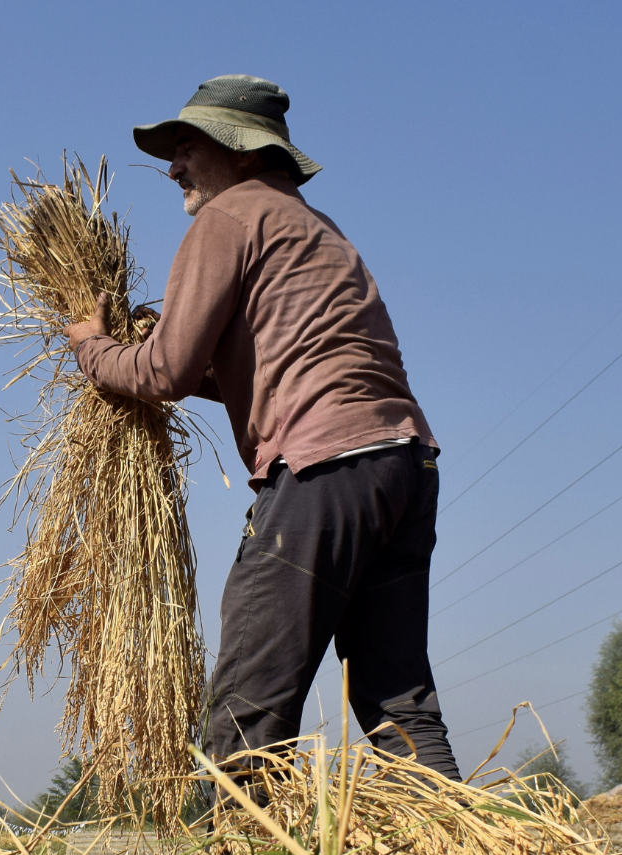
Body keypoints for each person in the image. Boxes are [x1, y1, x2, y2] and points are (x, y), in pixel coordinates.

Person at [65, 74, 462, 788]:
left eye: (187, 148)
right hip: (404, 462)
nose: (173, 168)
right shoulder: (313, 227)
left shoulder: (228, 217)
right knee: (398, 698)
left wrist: (92, 348)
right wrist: (175, 353)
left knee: (249, 699)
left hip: (323, 473)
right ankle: (465, 853)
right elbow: (272, 370)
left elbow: (164, 374)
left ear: (242, 151)